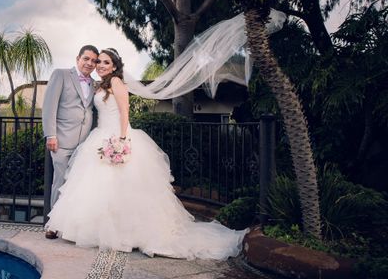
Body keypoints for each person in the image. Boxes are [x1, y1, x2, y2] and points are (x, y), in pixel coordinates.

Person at [45, 48, 247, 259]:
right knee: (99, 187)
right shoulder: (99, 84)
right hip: (99, 136)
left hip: (116, 137)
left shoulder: (116, 83)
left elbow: (125, 112)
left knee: (121, 186)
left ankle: (127, 233)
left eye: (105, 62)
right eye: (99, 62)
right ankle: (96, 230)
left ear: (114, 66)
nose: (100, 65)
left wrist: (121, 140)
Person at [42, 44, 99, 239]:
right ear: (78, 58)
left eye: (93, 60)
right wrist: (51, 135)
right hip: (62, 140)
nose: (90, 63)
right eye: (86, 59)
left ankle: (72, 225)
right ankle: (52, 225)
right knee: (60, 181)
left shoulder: (94, 83)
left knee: (77, 184)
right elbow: (49, 106)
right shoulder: (61, 74)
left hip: (84, 143)